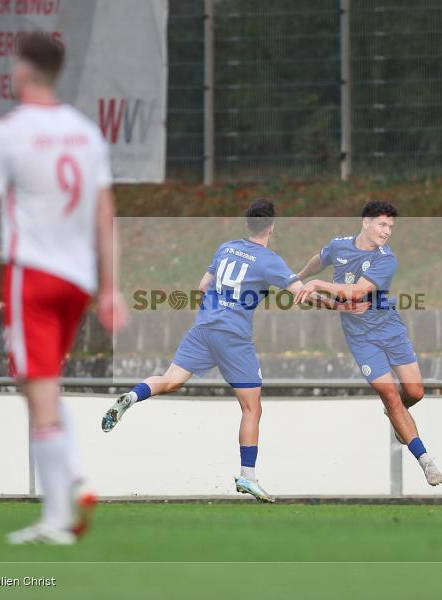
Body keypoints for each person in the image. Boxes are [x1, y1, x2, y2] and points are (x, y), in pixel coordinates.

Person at [0, 31, 128, 544]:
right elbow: (105, 214)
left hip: (31, 272)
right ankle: (69, 484)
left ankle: (62, 505)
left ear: (22, 70)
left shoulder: (5, 133)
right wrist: (111, 288)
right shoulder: (86, 133)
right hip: (77, 280)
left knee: (37, 390)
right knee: (40, 382)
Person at [102, 199, 344, 502]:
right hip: (233, 337)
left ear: (247, 224)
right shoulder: (269, 261)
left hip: (203, 328)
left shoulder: (226, 248)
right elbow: (302, 294)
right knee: (252, 407)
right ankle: (248, 476)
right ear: (271, 227)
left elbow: (203, 286)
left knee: (171, 380)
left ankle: (133, 395)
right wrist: (335, 306)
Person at [294, 200, 442, 487]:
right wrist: (300, 278)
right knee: (390, 395)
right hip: (361, 339)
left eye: (391, 227)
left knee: (414, 392)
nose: (387, 231)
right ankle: (426, 461)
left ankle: (396, 412)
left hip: (390, 329)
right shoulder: (339, 246)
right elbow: (320, 258)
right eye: (382, 224)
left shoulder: (386, 259)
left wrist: (318, 286)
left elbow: (358, 292)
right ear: (366, 222)